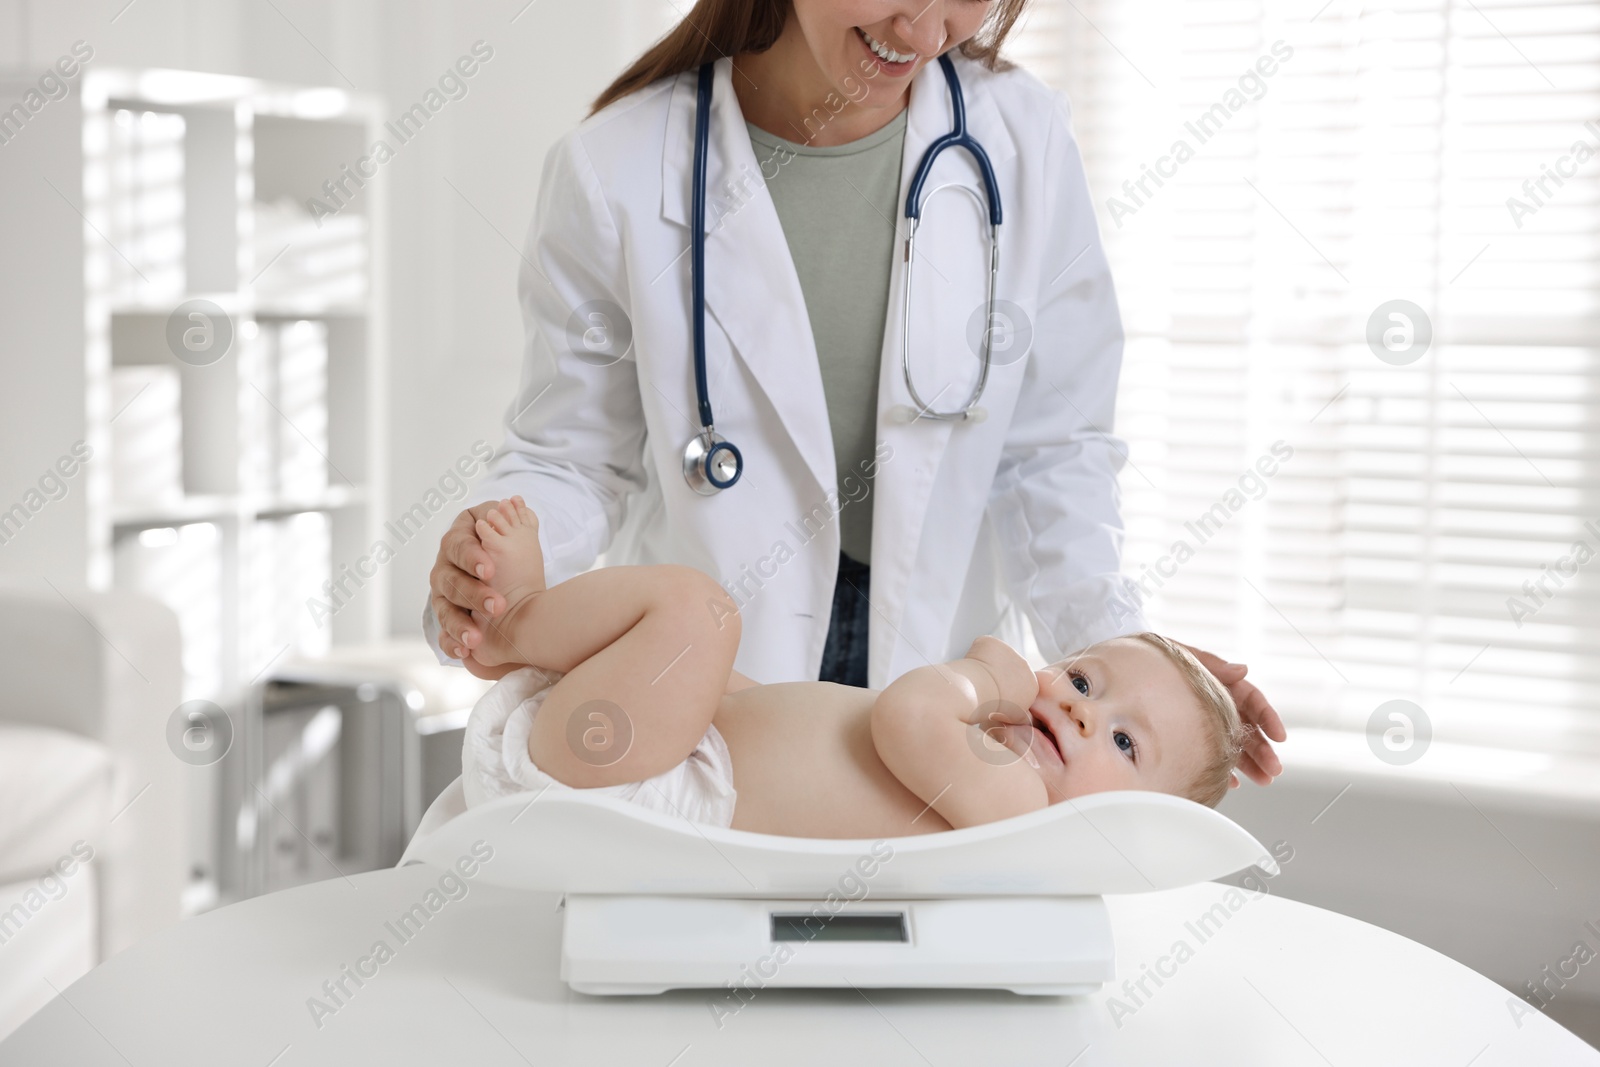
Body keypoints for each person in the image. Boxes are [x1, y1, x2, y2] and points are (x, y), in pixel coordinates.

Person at [426, 0, 1285, 789]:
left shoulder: (1022, 139)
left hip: (948, 677)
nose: (925, 32)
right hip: (709, 686)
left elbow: (1053, 451)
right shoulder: (615, 167)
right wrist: (492, 580)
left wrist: (1131, 657)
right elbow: (570, 455)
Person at [457, 497, 1246, 837]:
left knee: (702, 613)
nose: (1081, 711)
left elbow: (907, 714)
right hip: (675, 753)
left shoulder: (1016, 804)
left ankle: (520, 616)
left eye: (1124, 742)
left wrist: (979, 673)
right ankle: (537, 628)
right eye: (1082, 680)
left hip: (653, 784)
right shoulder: (998, 769)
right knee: (713, 658)